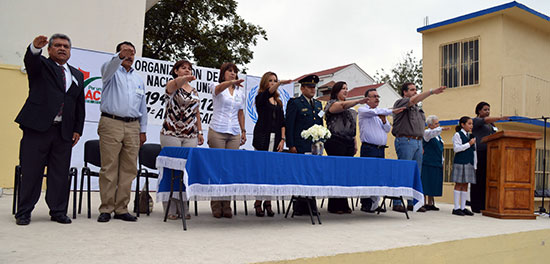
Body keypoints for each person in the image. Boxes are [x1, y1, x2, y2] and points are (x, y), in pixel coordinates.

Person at [14, 34, 85, 225]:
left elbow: (79, 105)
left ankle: (58, 211)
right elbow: (31, 61)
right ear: (49, 49)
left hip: (63, 132)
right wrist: (34, 49)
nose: (62, 49)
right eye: (58, 45)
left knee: (60, 174)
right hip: (37, 129)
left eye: (66, 46)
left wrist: (78, 129)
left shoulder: (77, 75)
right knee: (31, 172)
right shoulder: (42, 66)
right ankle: (24, 212)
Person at [97, 41, 147, 223]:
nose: (130, 55)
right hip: (111, 122)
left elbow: (143, 107)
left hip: (133, 126)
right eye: (126, 51)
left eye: (132, 52)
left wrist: (143, 130)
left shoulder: (138, 79)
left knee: (129, 169)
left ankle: (121, 208)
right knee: (109, 167)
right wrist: (118, 57)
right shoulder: (110, 71)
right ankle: (106, 208)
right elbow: (109, 67)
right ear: (118, 53)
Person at [391, 82, 445, 213]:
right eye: (412, 90)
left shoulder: (418, 108)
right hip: (405, 140)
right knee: (404, 171)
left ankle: (412, 202)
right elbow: (414, 99)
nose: (415, 92)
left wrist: (420, 144)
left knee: (416, 174)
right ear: (404, 92)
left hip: (417, 142)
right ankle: (397, 202)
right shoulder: (400, 103)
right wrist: (431, 92)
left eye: (416, 89)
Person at [160, 60, 204, 220]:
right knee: (172, 170)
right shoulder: (172, 85)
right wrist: (184, 79)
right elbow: (174, 86)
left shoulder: (194, 91)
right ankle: (170, 208)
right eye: (183, 68)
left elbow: (197, 113)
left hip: (190, 134)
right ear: (176, 71)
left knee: (185, 171)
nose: (187, 70)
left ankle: (184, 207)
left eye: (189, 68)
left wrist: (199, 131)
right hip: (171, 132)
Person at [207, 62, 246, 218]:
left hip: (234, 132)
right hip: (218, 129)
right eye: (229, 71)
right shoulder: (216, 85)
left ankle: (227, 204)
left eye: (235, 72)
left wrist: (243, 131)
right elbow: (218, 90)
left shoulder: (240, 92)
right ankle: (216, 204)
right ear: (223, 73)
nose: (232, 74)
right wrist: (230, 83)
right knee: (217, 167)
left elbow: (240, 113)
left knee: (229, 168)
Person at [323, 81, 368, 214]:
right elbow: (341, 105)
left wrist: (354, 143)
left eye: (347, 88)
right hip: (335, 141)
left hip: (348, 141)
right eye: (343, 89)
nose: (346, 91)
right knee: (337, 172)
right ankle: (334, 205)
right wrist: (358, 100)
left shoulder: (351, 109)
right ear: (336, 91)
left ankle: (343, 203)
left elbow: (352, 127)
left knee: (345, 173)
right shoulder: (331, 104)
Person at [357, 88, 404, 213]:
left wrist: (384, 120)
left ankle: (375, 203)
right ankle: (366, 204)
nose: (377, 98)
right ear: (367, 99)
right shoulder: (363, 110)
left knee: (378, 176)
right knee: (368, 176)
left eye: (378, 96)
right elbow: (375, 112)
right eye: (374, 96)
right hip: (369, 148)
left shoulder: (380, 114)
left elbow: (388, 129)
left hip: (380, 149)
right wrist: (391, 111)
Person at [252, 72, 291, 217]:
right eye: (271, 81)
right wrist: (280, 84)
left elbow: (282, 122)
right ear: (265, 83)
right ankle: (258, 202)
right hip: (263, 137)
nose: (273, 83)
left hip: (276, 139)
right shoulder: (261, 97)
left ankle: (268, 202)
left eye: (275, 80)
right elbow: (268, 94)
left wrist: (282, 139)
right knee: (262, 170)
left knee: (271, 171)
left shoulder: (279, 102)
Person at [285, 74, 323, 215]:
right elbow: (290, 125)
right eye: (309, 87)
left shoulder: (318, 104)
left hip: (314, 146)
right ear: (302, 88)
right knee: (301, 174)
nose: (313, 89)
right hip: (300, 145)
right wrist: (291, 145)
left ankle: (311, 204)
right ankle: (300, 206)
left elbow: (321, 125)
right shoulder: (295, 103)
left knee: (312, 174)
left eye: (314, 87)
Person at [471, 102, 508, 213]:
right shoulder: (476, 121)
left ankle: (485, 204)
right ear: (479, 111)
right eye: (485, 110)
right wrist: (500, 118)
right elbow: (486, 120)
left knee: (487, 180)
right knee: (479, 179)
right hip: (480, 152)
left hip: (491, 153)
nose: (487, 112)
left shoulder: (491, 125)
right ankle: (476, 206)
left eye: (489, 110)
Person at [421, 115, 450, 211]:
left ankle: (431, 202)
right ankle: (423, 202)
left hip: (437, 162)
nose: (438, 125)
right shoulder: (427, 133)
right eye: (436, 123)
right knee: (426, 182)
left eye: (438, 123)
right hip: (428, 162)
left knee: (433, 182)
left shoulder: (438, 137)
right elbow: (432, 133)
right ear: (430, 125)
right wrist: (442, 128)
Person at [451, 116, 476, 216]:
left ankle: (463, 207)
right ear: (463, 124)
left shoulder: (471, 136)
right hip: (460, 162)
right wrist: (469, 144)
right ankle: (456, 207)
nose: (471, 126)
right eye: (469, 123)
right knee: (459, 184)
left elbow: (474, 151)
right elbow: (456, 149)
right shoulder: (457, 135)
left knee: (465, 184)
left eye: (472, 124)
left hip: (469, 162)